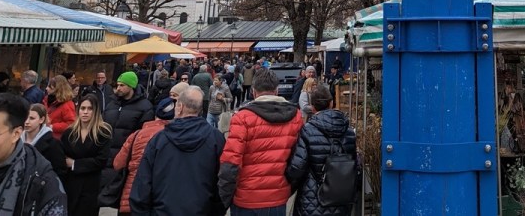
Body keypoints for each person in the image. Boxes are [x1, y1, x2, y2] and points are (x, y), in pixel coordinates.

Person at [219, 68, 303, 215]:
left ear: (253, 91)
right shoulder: (296, 117)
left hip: (246, 198)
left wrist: (223, 199)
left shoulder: (242, 118)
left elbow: (231, 163)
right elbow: (298, 160)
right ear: (276, 91)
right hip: (277, 197)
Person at [130, 87, 226, 216]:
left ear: (179, 107)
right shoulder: (216, 139)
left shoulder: (159, 139)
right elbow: (222, 182)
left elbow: (143, 183)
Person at [113, 83, 187, 216]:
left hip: (131, 198)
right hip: (160, 200)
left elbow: (117, 164)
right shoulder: (178, 137)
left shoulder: (137, 135)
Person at [286, 85, 358, 216]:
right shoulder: (348, 132)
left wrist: (288, 190)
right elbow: (355, 164)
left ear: (312, 107)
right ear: (331, 103)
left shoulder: (308, 130)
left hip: (311, 199)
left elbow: (297, 168)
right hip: (341, 199)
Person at [61, 93, 111, 216]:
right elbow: (61, 155)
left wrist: (75, 164)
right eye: (83, 108)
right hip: (70, 184)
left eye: (90, 109)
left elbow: (101, 160)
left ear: (96, 111)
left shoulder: (103, 133)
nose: (85, 112)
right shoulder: (69, 132)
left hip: (91, 185)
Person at [102, 71, 154, 164]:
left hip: (127, 156)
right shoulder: (111, 104)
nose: (118, 88)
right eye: (117, 85)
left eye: (122, 85)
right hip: (106, 154)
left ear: (131, 86)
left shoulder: (145, 107)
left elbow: (144, 135)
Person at [23, 103, 66, 176]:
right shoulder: (16, 140)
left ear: (41, 120)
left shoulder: (53, 144)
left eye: (32, 118)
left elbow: (59, 172)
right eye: (25, 118)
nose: (27, 122)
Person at [44, 74, 76, 139]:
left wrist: (52, 127)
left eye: (50, 87)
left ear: (57, 89)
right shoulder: (46, 100)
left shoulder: (67, 104)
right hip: (46, 135)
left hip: (57, 139)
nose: (46, 88)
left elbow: (70, 123)